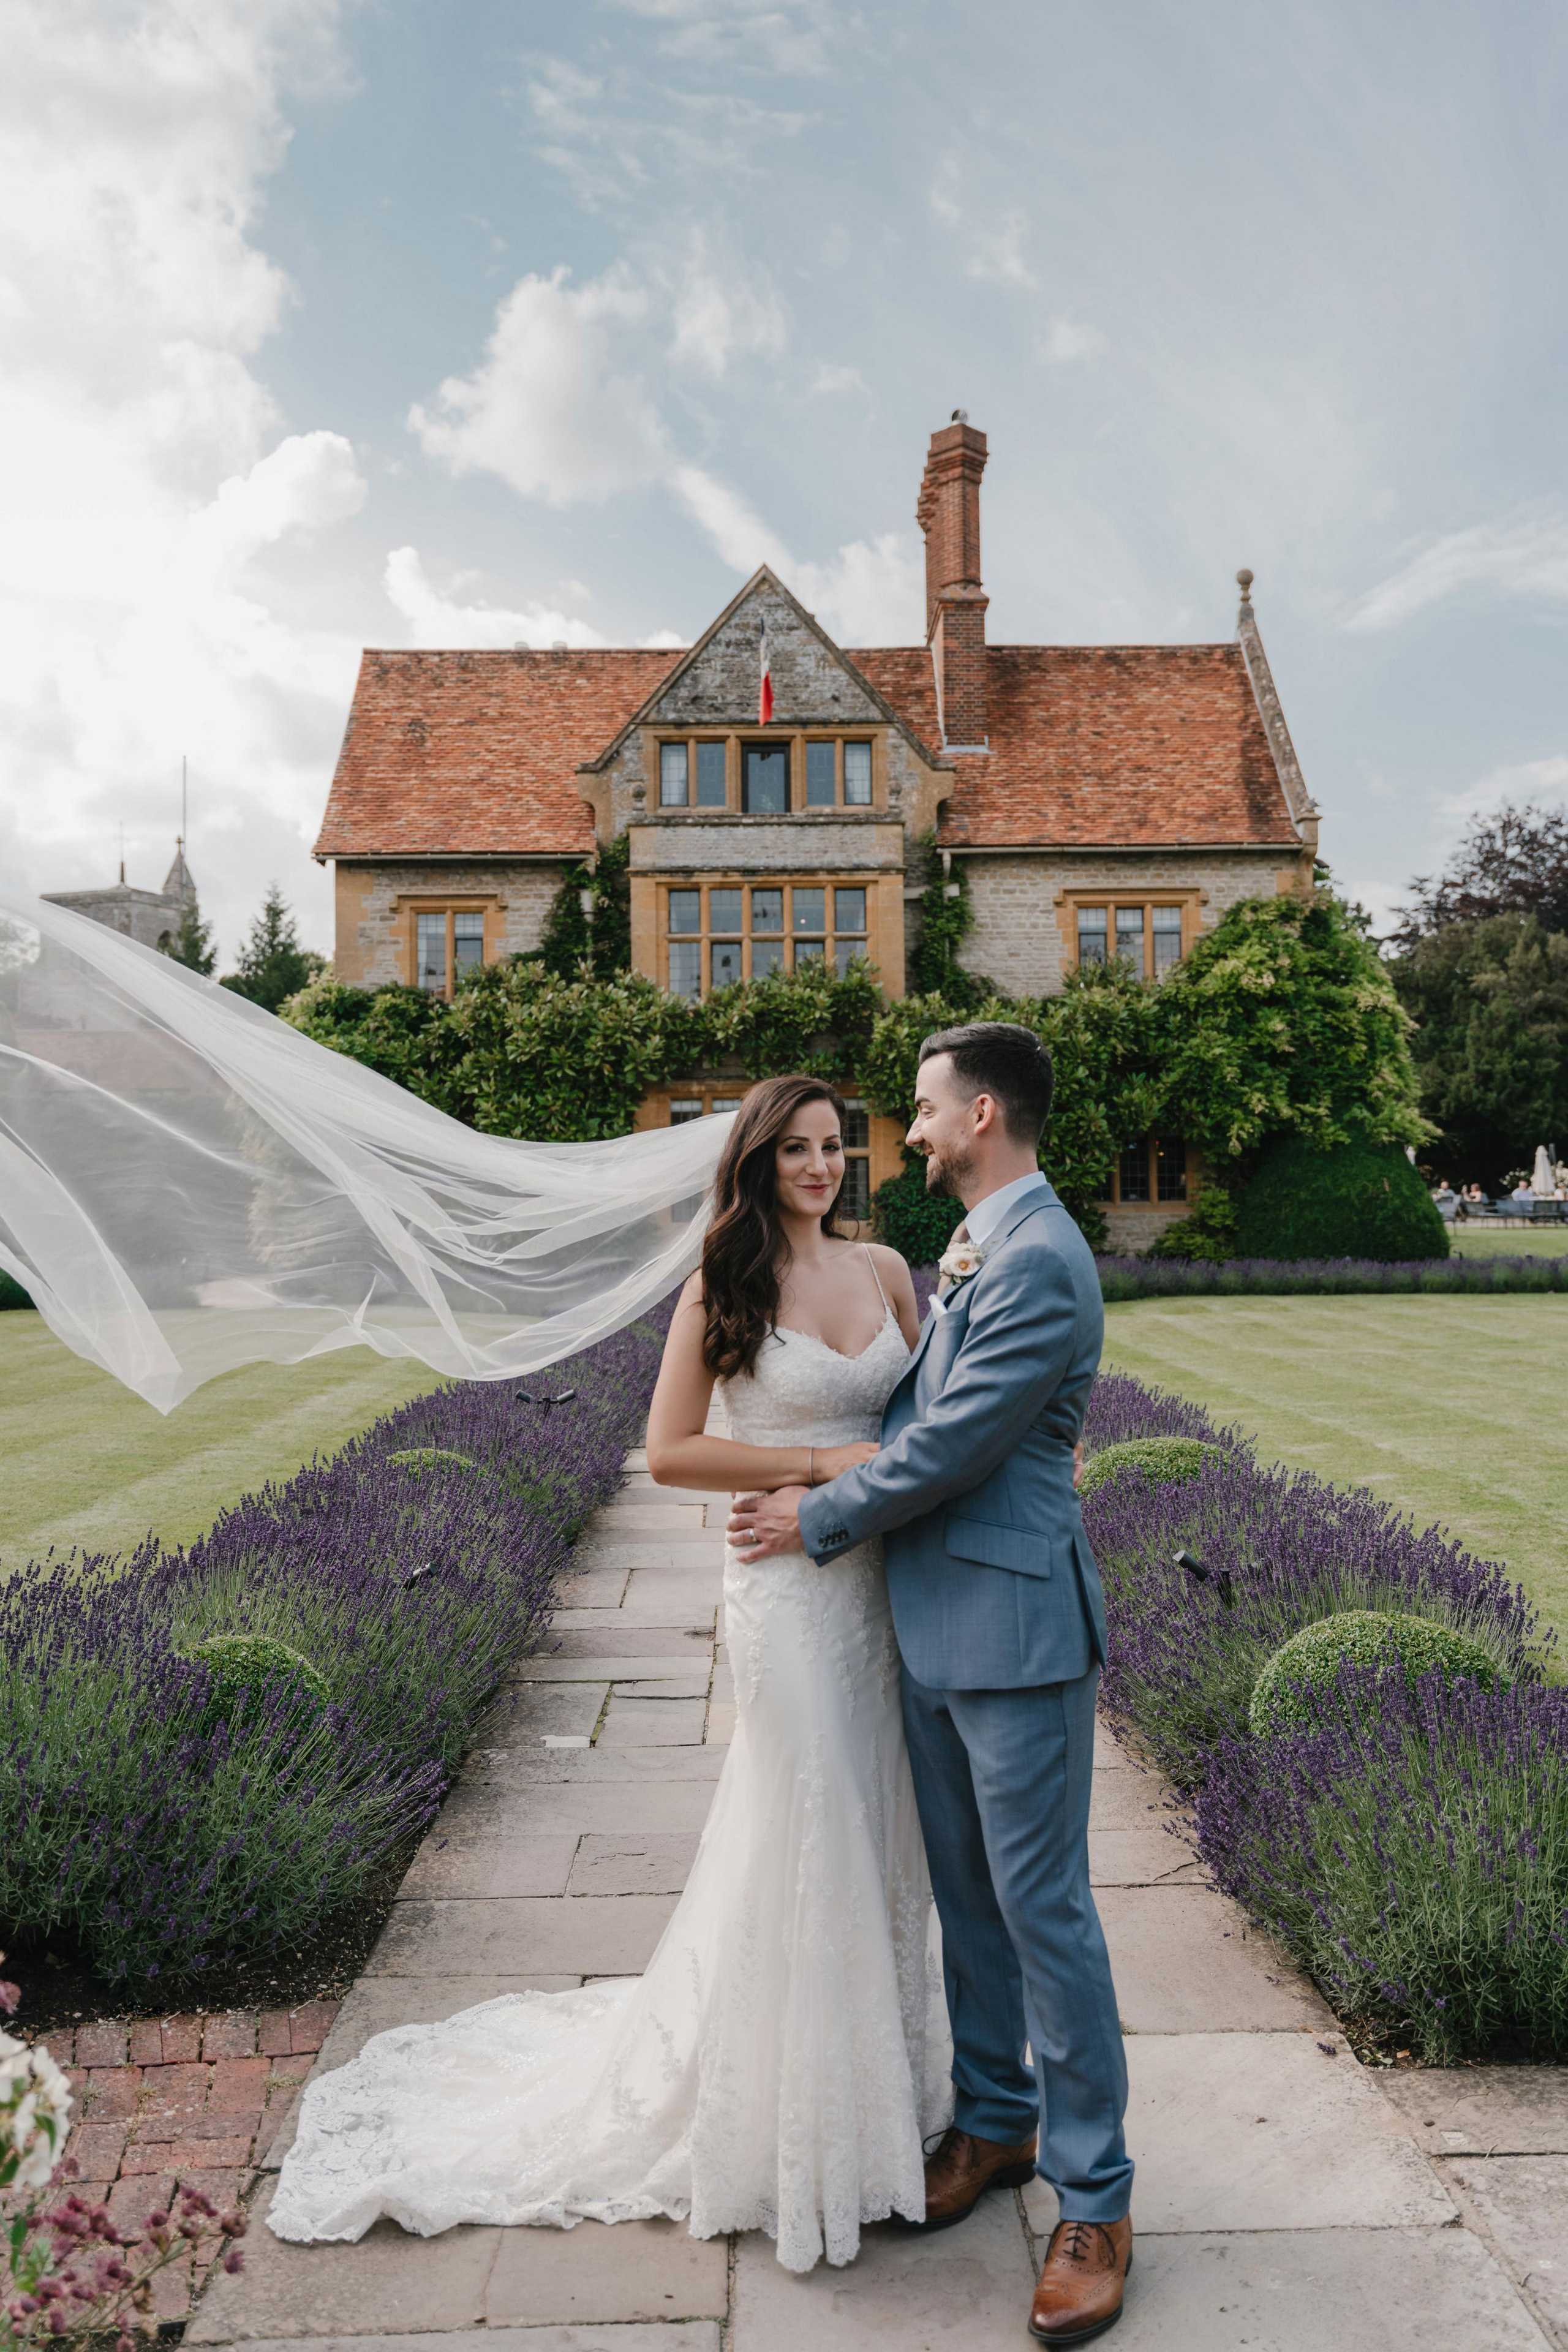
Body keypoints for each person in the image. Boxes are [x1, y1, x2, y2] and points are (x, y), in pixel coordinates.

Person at [268, 1073, 946, 2274]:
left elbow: (933, 1419)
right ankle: (790, 2126)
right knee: (811, 1819)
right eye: (793, 1149)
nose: (818, 1166)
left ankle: (877, 2091)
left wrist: (874, 1472)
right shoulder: (723, 1282)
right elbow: (672, 1447)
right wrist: (819, 1461)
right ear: (753, 1161)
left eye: (833, 1146)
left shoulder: (889, 1271)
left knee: (882, 1819)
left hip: (878, 1584)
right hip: (786, 1601)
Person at [731, 1022, 1133, 2346]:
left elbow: (955, 1442)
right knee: (965, 1901)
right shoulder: (973, 1246)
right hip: (923, 1620)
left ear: (979, 1119)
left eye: (920, 1106)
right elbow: (912, 1415)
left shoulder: (1037, 1257)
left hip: (1013, 1629)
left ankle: (1097, 2203)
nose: (900, 1129)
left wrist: (815, 1513)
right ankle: (996, 2125)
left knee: (1042, 1915)